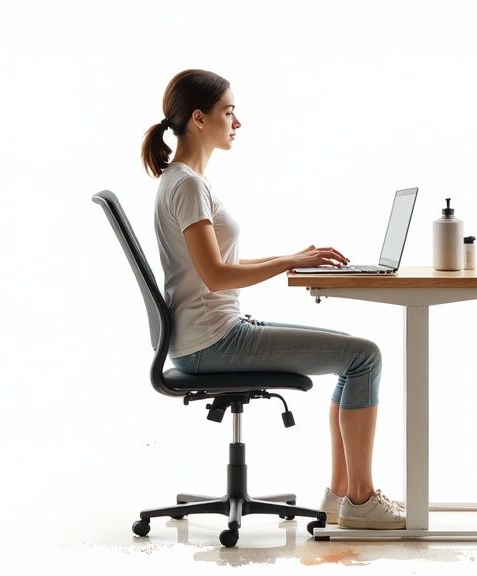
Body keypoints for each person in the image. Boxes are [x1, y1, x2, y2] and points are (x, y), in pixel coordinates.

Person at [140, 69, 405, 530]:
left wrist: (294, 256)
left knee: (353, 351)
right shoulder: (186, 185)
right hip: (215, 343)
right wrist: (287, 264)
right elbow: (217, 276)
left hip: (211, 337)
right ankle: (361, 502)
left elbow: (216, 265)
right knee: (365, 357)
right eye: (229, 112)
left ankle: (342, 495)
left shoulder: (182, 181)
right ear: (200, 119)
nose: (237, 122)